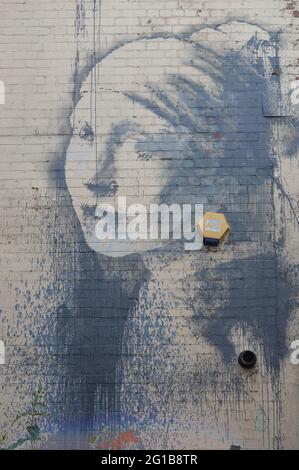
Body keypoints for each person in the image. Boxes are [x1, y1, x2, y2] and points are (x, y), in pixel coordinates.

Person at [64, 22, 290, 449]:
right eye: (86, 133)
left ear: (217, 171)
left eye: (142, 145)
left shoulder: (179, 307)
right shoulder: (209, 278)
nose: (95, 174)